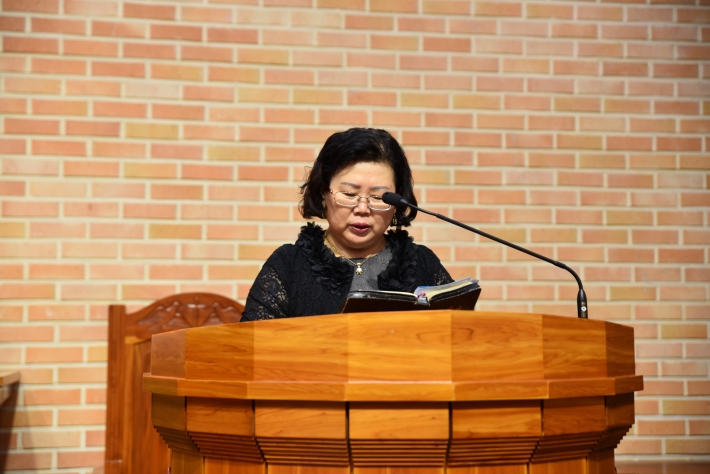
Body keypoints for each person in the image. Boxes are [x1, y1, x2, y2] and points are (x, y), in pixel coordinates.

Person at [241, 128, 453, 321]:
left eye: (379, 197)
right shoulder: (288, 264)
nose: (363, 208)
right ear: (324, 193)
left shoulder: (422, 262)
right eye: (350, 194)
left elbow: (458, 334)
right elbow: (253, 341)